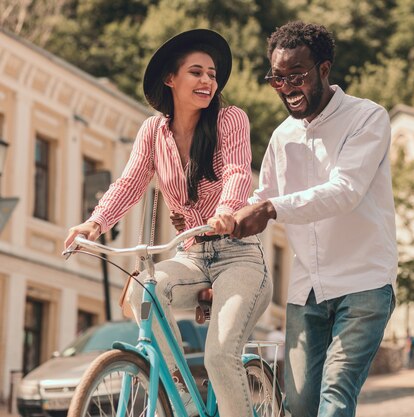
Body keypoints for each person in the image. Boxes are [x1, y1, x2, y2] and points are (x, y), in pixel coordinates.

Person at [64, 29, 271, 417]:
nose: (207, 81)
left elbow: (238, 171)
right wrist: (93, 224)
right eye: (196, 72)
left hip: (239, 257)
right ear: (170, 78)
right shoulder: (152, 131)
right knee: (143, 291)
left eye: (212, 74)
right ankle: (185, 398)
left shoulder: (231, 119)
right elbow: (129, 182)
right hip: (192, 256)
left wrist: (226, 209)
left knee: (221, 353)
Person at [232, 21, 397, 417]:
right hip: (306, 288)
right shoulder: (281, 136)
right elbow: (261, 196)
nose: (287, 87)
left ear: (324, 69)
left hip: (364, 282)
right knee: (301, 406)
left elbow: (345, 190)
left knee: (336, 395)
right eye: (277, 78)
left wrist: (271, 209)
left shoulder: (367, 118)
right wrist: (225, 219)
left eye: (296, 76)